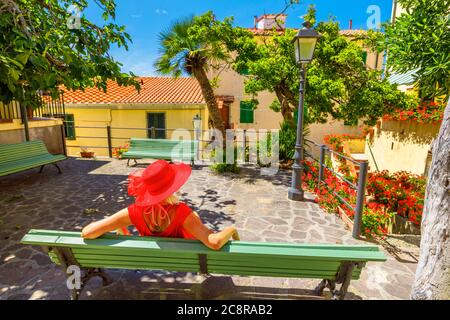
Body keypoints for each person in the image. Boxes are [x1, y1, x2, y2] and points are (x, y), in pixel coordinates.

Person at [81, 160, 240, 250]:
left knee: (194, 218)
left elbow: (88, 232)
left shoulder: (132, 212)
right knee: (195, 218)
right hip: (183, 259)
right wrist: (231, 229)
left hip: (152, 260)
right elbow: (214, 242)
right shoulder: (183, 213)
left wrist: (119, 225)